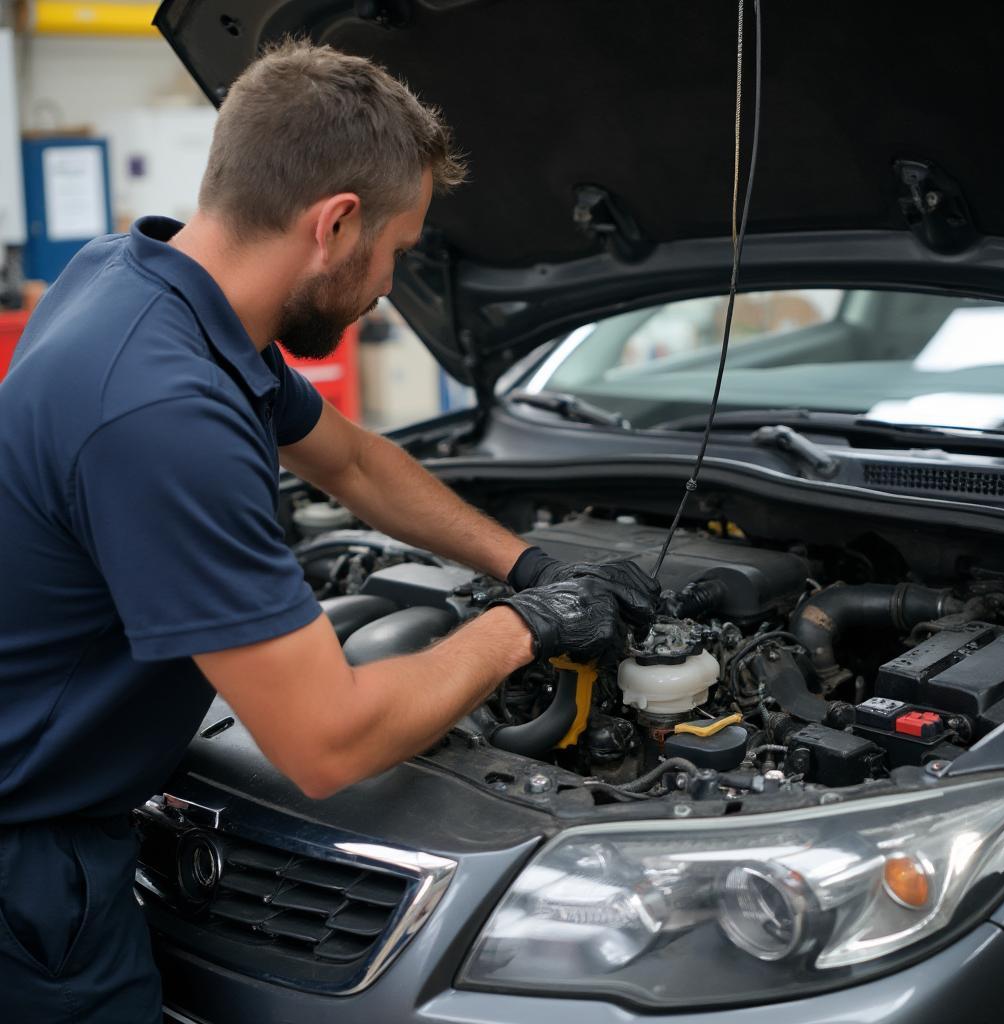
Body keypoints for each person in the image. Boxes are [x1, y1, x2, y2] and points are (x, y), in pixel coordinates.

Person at [0, 40, 659, 1023]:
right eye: (397, 249)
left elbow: (349, 461)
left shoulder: (143, 284)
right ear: (335, 223)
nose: (391, 282)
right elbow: (327, 741)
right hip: (31, 866)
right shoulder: (162, 411)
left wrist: (521, 559)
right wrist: (526, 625)